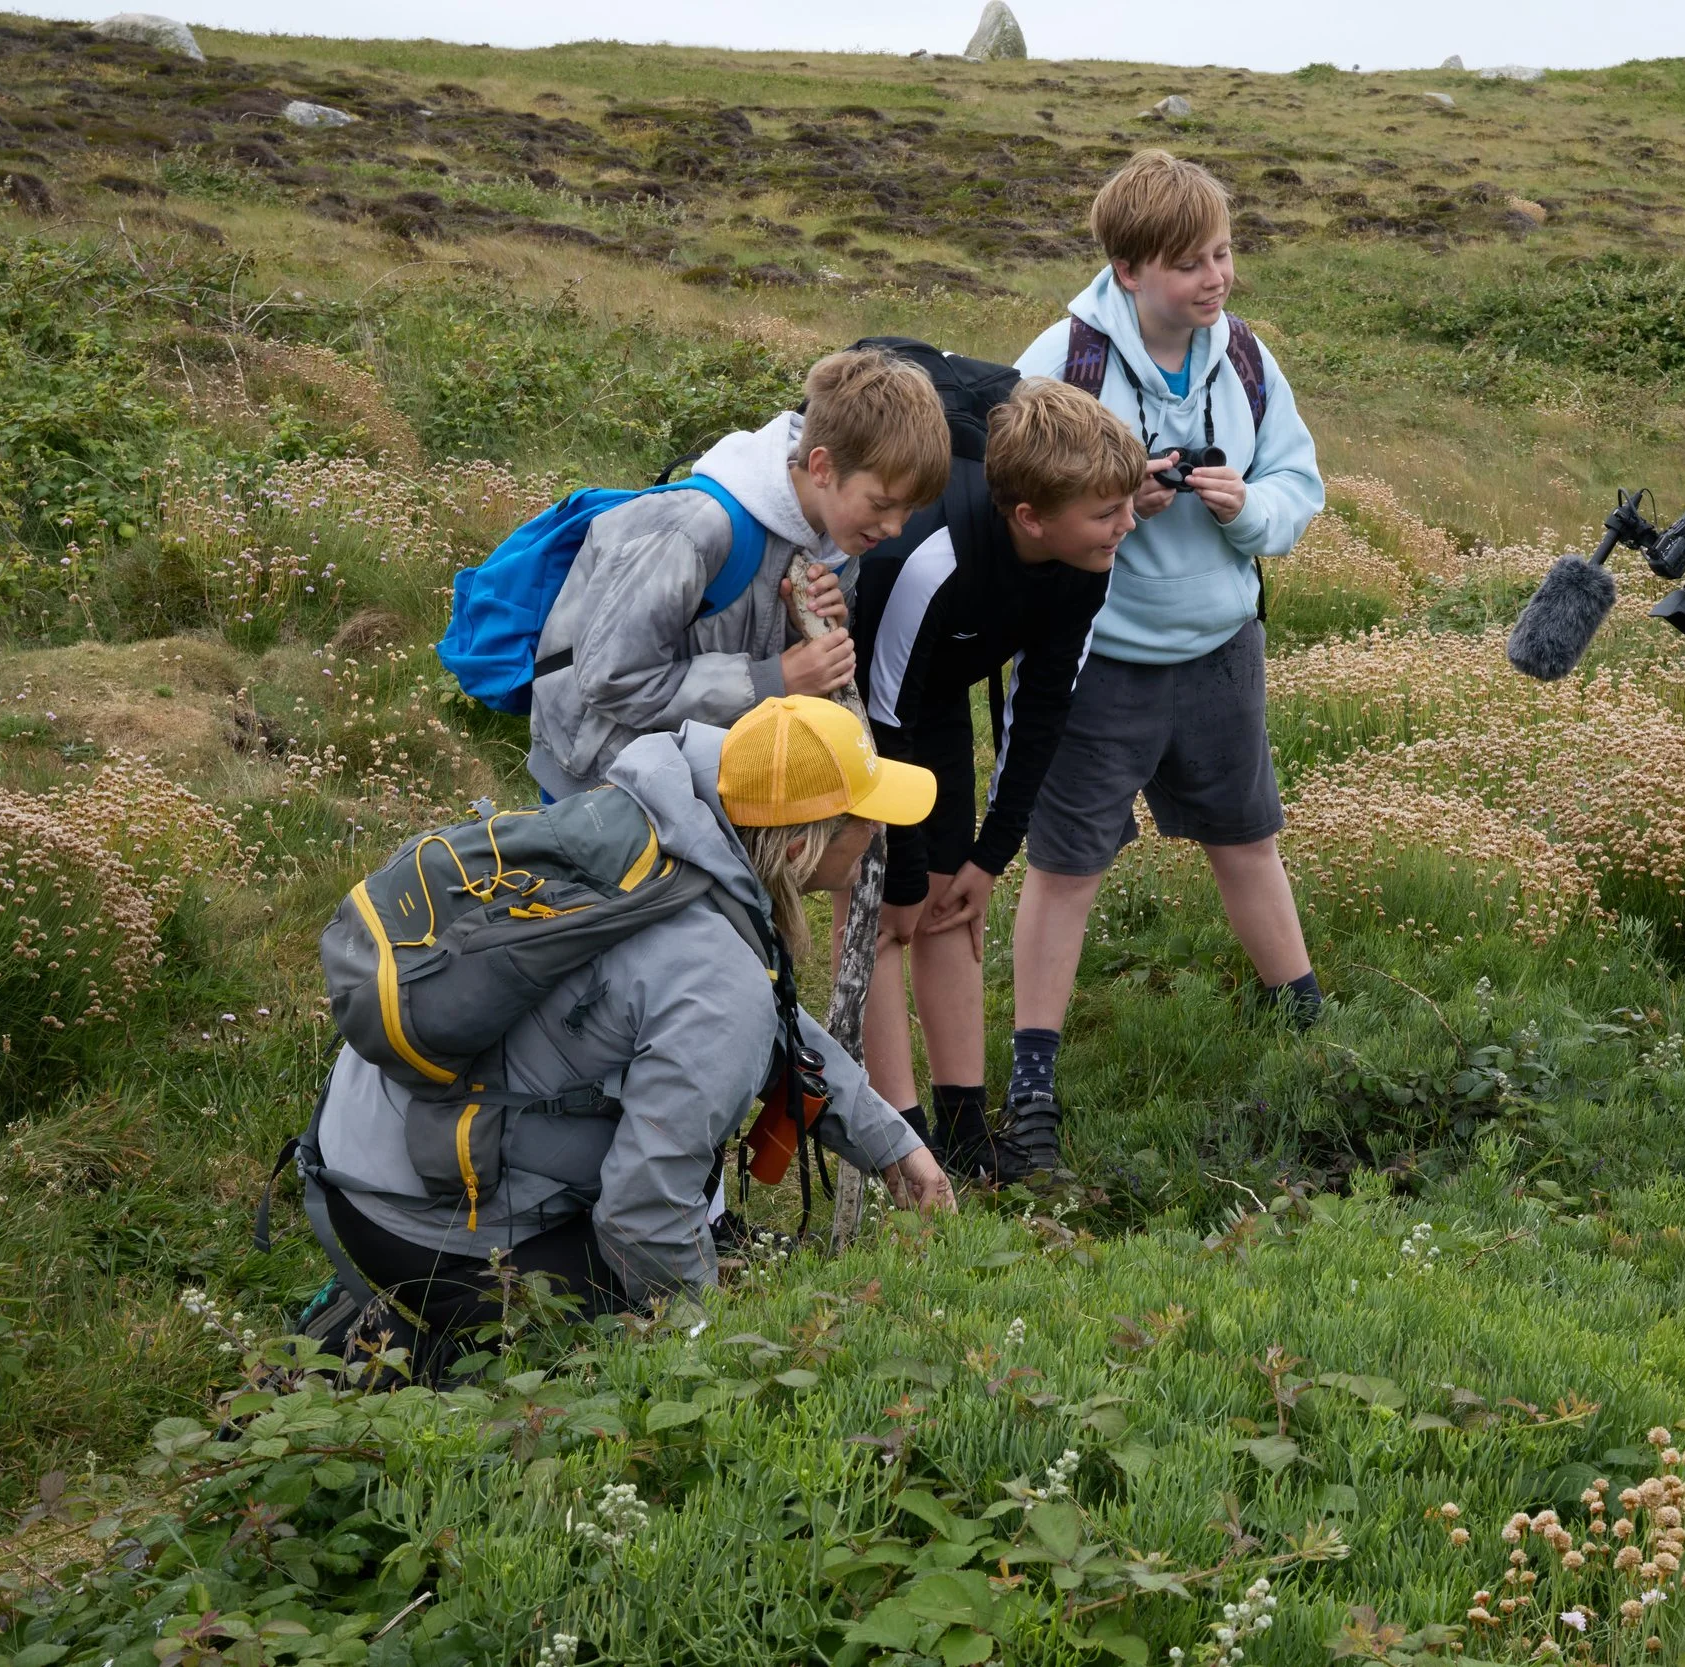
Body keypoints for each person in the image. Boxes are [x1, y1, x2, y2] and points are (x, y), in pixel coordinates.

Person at [307, 696, 954, 1376]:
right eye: (863, 819)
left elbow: (757, 1013)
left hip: (365, 1139)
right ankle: (379, 1354)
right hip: (413, 1216)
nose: (878, 832)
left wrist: (890, 1142)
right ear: (800, 849)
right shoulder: (717, 976)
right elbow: (641, 1214)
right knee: (616, 1333)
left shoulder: (667, 826)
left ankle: (395, 1308)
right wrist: (718, 1351)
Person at [1001, 149, 1326, 1180]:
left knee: (1246, 836)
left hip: (1220, 648)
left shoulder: (1246, 360)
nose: (1215, 278)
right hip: (1098, 661)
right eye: (1190, 262)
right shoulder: (1062, 359)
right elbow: (1008, 505)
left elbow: (1296, 483)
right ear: (1131, 268)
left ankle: (1306, 1023)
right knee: (1065, 868)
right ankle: (1033, 1082)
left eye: (1223, 253)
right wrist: (1112, 509)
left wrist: (1248, 511)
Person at [845, 380, 1148, 1178]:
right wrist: (903, 871)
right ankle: (900, 1146)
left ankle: (968, 1135)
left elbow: (1042, 709)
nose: (1128, 524)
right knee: (883, 907)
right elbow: (882, 725)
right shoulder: (929, 560)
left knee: (950, 899)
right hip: (856, 697)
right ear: (1030, 518)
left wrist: (988, 857)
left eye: (1125, 505)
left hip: (933, 686)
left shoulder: (1090, 559)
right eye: (1106, 512)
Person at [526, 348, 952, 802]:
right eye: (883, 505)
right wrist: (777, 679)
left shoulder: (835, 543)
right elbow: (610, 679)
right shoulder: (694, 530)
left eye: (910, 510)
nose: (895, 528)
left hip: (693, 784)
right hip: (600, 786)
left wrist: (805, 626)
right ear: (824, 467)